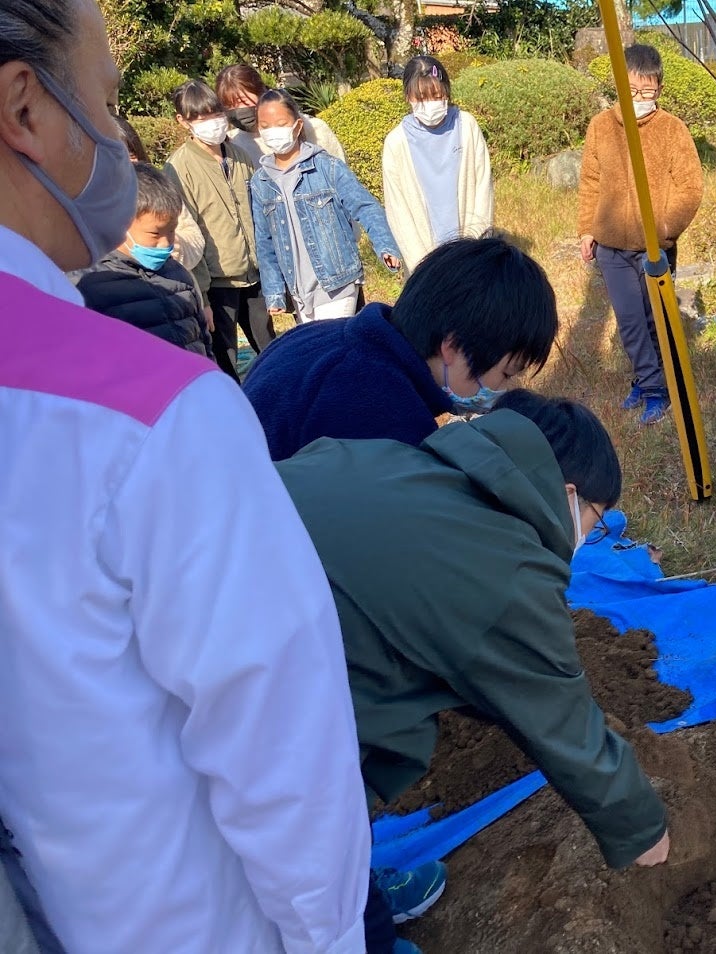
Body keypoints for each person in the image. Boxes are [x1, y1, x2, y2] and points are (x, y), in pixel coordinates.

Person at [0, 2, 371, 952]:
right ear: (25, 109)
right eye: (106, 100)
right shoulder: (150, 415)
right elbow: (280, 745)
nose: (118, 139)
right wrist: (330, 933)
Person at [274, 389, 672, 888]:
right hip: (269, 724)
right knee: (308, 874)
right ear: (569, 495)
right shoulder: (509, 571)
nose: (589, 538)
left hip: (209, 627)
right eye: (595, 521)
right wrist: (641, 828)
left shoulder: (384, 456)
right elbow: (558, 717)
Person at [243, 234, 557, 460]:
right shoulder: (386, 419)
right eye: (506, 373)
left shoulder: (322, 336)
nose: (502, 388)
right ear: (452, 346)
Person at [578, 43, 703, 425]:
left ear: (659, 89)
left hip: (655, 248)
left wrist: (665, 227)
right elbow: (590, 181)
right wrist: (586, 229)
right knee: (630, 322)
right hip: (612, 247)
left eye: (647, 91)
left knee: (656, 321)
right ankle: (652, 388)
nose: (640, 98)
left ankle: (651, 380)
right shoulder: (601, 127)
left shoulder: (672, 130)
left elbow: (690, 188)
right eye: (632, 90)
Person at [250, 88, 401, 324]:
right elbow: (265, 242)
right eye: (265, 126)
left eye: (281, 124)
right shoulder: (261, 182)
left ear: (297, 126)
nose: (273, 132)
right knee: (319, 344)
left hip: (337, 280)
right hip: (299, 290)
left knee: (331, 340)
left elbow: (365, 206)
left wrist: (385, 246)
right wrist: (274, 292)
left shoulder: (327, 167)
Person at [164, 78, 266, 379]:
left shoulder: (239, 155)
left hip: (255, 275)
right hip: (217, 283)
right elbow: (185, 234)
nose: (213, 123)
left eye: (216, 113)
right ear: (183, 121)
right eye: (201, 118)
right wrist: (203, 298)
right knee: (226, 362)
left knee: (272, 349)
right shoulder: (178, 168)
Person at [71, 162, 213, 357]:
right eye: (155, 234)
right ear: (119, 222)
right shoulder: (89, 285)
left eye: (172, 231)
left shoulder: (179, 275)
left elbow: (203, 339)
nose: (166, 243)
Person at [382, 55, 493, 272]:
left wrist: (476, 247)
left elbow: (482, 187)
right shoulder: (396, 143)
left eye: (436, 96)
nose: (430, 104)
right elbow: (398, 211)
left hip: (471, 254)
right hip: (425, 262)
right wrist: (423, 268)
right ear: (408, 97)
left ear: (446, 92)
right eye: (421, 98)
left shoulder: (467, 126)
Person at [114, 113, 209, 294]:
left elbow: (193, 238)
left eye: (131, 156)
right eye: (117, 157)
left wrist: (168, 244)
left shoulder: (159, 191)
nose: (126, 164)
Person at [216, 62, 346, 167]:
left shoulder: (314, 129)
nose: (238, 110)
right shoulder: (235, 146)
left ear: (261, 93)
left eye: (243, 101)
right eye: (229, 106)